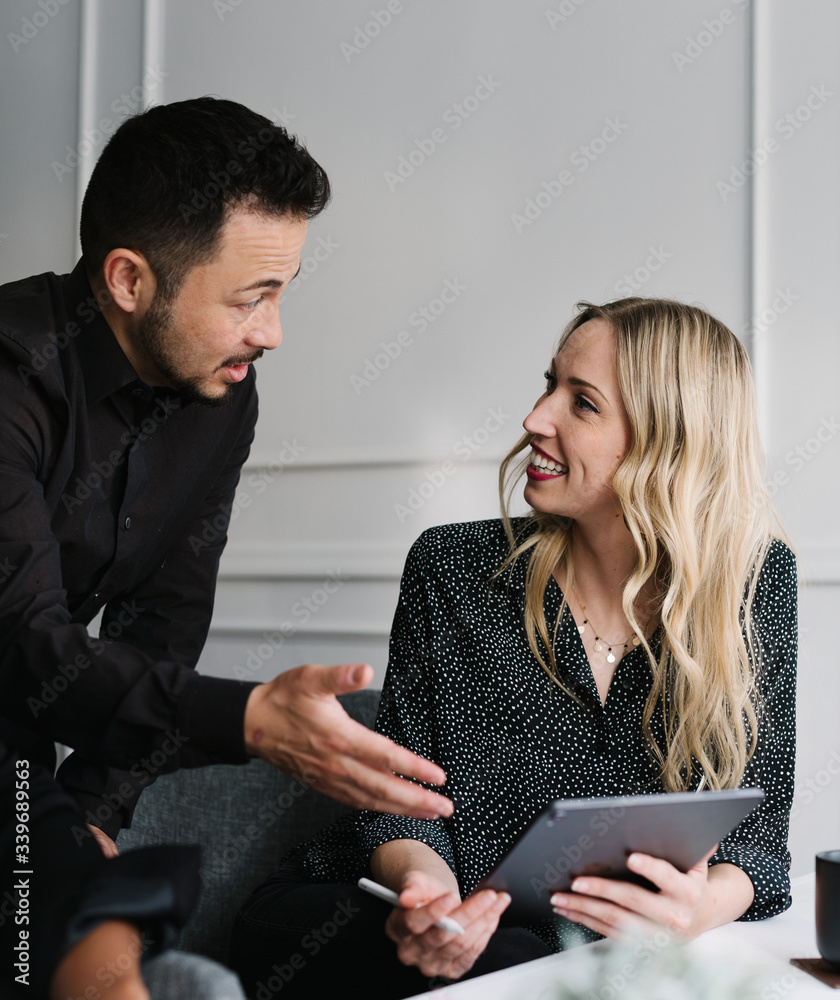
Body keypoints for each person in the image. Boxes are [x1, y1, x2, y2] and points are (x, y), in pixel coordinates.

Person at [0, 97, 451, 998]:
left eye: (282, 292)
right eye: (252, 297)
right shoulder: (10, 377)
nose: (273, 331)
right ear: (129, 280)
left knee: (90, 910)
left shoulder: (221, 396)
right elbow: (25, 640)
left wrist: (95, 808)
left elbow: (164, 625)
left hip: (23, 765)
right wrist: (248, 717)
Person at [230, 298, 797, 998]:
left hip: (570, 955)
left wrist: (695, 910)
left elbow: (759, 835)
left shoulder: (752, 582)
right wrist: (427, 902)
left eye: (582, 403)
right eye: (549, 384)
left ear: (667, 443)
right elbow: (404, 800)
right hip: (369, 916)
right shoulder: (454, 568)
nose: (536, 418)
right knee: (522, 964)